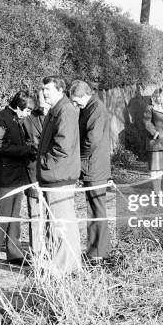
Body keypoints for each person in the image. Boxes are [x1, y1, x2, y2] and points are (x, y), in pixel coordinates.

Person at [37, 76, 82, 275]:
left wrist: (44, 162)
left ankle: (64, 266)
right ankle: (65, 263)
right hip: (54, 175)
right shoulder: (56, 110)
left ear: (60, 90)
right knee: (57, 222)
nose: (44, 92)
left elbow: (62, 147)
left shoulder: (65, 110)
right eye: (43, 89)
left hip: (59, 176)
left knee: (62, 223)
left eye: (48, 89)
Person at [0, 91, 35, 267]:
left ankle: (14, 253)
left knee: (15, 216)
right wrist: (25, 149)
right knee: (3, 215)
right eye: (27, 110)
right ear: (18, 106)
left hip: (17, 175)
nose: (28, 114)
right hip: (5, 176)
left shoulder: (16, 119)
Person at [69, 80, 111, 264]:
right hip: (92, 166)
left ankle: (99, 252)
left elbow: (91, 141)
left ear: (85, 95)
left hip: (94, 167)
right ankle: (96, 250)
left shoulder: (96, 109)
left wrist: (78, 160)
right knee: (93, 209)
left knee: (96, 209)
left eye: (76, 101)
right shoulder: (90, 107)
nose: (75, 104)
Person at [22, 88, 50, 255]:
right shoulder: (28, 119)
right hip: (33, 171)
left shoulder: (60, 116)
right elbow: (21, 142)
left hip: (53, 172)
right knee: (35, 213)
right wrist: (30, 149)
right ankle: (36, 251)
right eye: (41, 99)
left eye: (46, 98)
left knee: (53, 212)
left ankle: (52, 248)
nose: (43, 102)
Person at [143, 88, 163, 193]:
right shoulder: (149, 108)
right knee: (154, 168)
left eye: (161, 96)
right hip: (154, 142)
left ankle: (158, 189)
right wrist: (154, 132)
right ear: (154, 97)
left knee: (160, 168)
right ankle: (156, 190)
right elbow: (147, 122)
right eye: (157, 96)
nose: (159, 98)